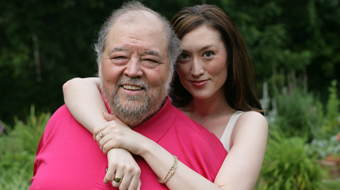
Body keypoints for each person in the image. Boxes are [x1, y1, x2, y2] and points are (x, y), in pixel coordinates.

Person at [63, 3, 268, 190]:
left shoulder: (247, 123)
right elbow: (75, 86)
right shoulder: (157, 102)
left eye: (208, 54)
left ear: (231, 56)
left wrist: (141, 144)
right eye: (184, 56)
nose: (196, 70)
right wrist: (115, 147)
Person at [29, 2, 227, 190]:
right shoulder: (62, 119)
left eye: (150, 60)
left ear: (171, 71)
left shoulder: (205, 150)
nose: (132, 71)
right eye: (119, 57)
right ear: (99, 65)